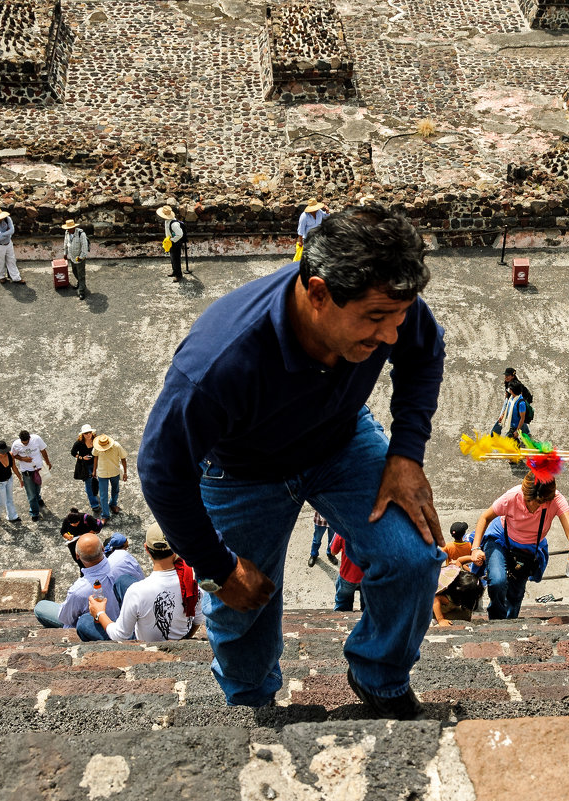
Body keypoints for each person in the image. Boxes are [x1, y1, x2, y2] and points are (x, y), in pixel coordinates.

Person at [139, 204, 445, 718]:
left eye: (399, 317)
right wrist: (216, 569)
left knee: (414, 556)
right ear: (319, 293)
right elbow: (161, 470)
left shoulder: (389, 304)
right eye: (375, 320)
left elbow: (423, 352)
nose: (391, 335)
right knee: (244, 604)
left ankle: (380, 676)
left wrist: (406, 454)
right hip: (242, 475)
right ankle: (254, 700)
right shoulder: (219, 363)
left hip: (341, 441)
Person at [472, 475, 569, 620]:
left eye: (538, 502)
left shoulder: (556, 500)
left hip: (528, 549)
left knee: (516, 592)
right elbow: (485, 517)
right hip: (501, 538)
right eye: (528, 500)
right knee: (498, 580)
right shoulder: (512, 497)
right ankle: (496, 619)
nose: (532, 505)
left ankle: (510, 621)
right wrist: (475, 548)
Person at [89, 524, 201, 643]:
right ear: (177, 549)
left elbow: (120, 635)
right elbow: (198, 620)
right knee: (122, 581)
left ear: (146, 548)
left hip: (145, 641)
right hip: (180, 634)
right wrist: (185, 640)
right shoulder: (193, 581)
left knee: (84, 622)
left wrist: (99, 613)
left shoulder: (137, 591)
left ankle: (129, 616)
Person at [33, 533, 122, 638]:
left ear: (77, 556)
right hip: (128, 620)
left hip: (104, 630)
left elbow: (65, 618)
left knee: (41, 607)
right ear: (103, 549)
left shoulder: (79, 590)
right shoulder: (123, 559)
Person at [12, 429, 51, 521]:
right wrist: (22, 458)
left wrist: (48, 462)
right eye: (23, 443)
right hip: (27, 472)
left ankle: (38, 498)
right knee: (31, 494)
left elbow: (43, 451)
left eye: (27, 442)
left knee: (38, 487)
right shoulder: (16, 444)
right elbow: (13, 455)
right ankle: (34, 512)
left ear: (29, 438)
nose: (25, 444)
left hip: (38, 469)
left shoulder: (36, 439)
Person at [92, 433, 128, 525]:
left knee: (115, 490)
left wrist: (125, 472)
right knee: (103, 495)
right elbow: (95, 457)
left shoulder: (117, 446)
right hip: (102, 472)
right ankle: (105, 515)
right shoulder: (97, 447)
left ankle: (113, 504)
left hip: (114, 471)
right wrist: (94, 470)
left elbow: (123, 458)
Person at [0, 440, 22, 523]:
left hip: (9, 480)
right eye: (2, 452)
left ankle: (12, 516)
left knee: (10, 499)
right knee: (1, 502)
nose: (4, 453)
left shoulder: (10, 455)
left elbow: (14, 467)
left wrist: (20, 478)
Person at [329, 533, 365, 612]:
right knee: (368, 607)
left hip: (348, 575)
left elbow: (333, 552)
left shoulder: (342, 530)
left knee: (342, 604)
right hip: (367, 577)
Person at [71, 424, 101, 514]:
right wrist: (81, 457)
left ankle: (92, 493)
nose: (88, 435)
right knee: (89, 483)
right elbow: (73, 453)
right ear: (82, 435)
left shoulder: (96, 440)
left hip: (96, 464)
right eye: (86, 433)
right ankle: (94, 504)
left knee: (96, 481)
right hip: (85, 466)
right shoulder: (79, 443)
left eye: (89, 433)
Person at [0, 207, 22, 284]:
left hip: (8, 243)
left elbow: (12, 231)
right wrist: (7, 233)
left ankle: (16, 277)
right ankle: (1, 277)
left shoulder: (7, 219)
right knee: (0, 262)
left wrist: (1, 234)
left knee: (12, 260)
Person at [157, 205, 187, 283]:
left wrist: (172, 240)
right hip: (171, 242)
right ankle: (174, 271)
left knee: (176, 259)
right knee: (172, 258)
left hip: (175, 243)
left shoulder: (174, 224)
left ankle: (178, 275)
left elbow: (180, 234)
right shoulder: (167, 221)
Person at [62, 219, 89, 299]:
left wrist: (81, 257)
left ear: (74, 228)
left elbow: (84, 247)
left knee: (81, 274)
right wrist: (65, 253)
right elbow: (65, 243)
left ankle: (82, 291)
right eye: (67, 228)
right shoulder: (67, 233)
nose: (68, 230)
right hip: (72, 257)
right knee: (74, 271)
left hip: (79, 257)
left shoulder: (81, 234)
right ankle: (80, 284)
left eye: (70, 228)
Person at [506, 379, 532, 443]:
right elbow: (508, 408)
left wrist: (517, 431)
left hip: (520, 427)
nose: (508, 390)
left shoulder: (521, 403)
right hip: (513, 426)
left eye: (509, 389)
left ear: (512, 390)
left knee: (527, 442)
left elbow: (522, 418)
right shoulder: (511, 398)